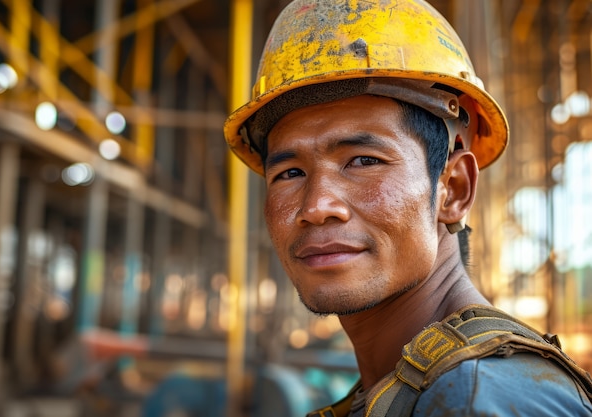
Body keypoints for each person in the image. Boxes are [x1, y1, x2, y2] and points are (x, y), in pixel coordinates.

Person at [223, 0, 592, 415]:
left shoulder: (479, 399)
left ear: (452, 190)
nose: (317, 206)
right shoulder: (409, 387)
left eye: (363, 161)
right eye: (289, 172)